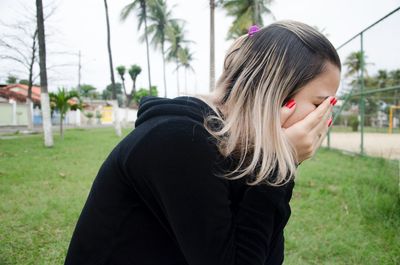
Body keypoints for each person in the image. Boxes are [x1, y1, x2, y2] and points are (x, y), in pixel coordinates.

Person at [64, 20, 340, 265]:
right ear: (274, 93)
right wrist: (278, 166)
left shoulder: (237, 146)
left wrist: (274, 161)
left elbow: (266, 254)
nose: (325, 114)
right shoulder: (180, 141)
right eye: (319, 103)